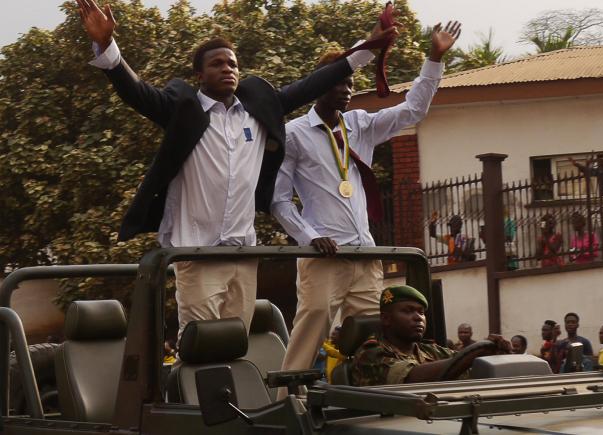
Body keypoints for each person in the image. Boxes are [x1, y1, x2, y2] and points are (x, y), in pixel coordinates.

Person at [76, 0, 392, 340]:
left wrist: (368, 49)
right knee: (200, 344)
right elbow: (136, 92)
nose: (227, 68)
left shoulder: (258, 110)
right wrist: (107, 45)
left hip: (243, 252)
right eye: (217, 64)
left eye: (232, 63)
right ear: (200, 75)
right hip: (197, 253)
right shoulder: (183, 109)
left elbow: (313, 84)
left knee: (235, 342)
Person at [272, 21, 461, 386]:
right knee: (308, 338)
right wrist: (310, 238)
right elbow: (279, 201)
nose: (346, 90)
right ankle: (283, 411)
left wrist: (434, 57)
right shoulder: (294, 134)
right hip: (323, 257)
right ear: (318, 85)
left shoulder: (359, 125)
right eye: (339, 82)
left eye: (350, 84)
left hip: (365, 256)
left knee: (373, 340)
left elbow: (413, 111)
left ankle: (376, 407)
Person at [350, 285, 510, 386]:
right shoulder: (370, 353)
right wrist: (473, 353)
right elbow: (412, 379)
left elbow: (465, 365)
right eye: (408, 311)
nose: (418, 317)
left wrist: (493, 355)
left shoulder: (431, 351)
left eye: (421, 312)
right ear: (386, 319)